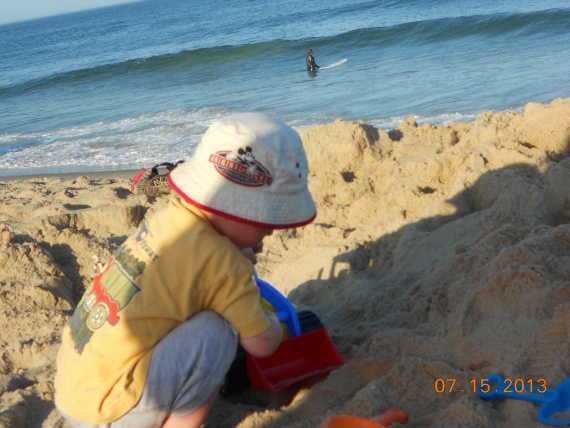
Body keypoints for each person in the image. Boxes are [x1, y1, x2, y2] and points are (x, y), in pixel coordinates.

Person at [54, 113, 317, 428]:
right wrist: (272, 324)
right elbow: (261, 345)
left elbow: (197, 264)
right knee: (220, 330)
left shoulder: (168, 221)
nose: (271, 232)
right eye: (269, 221)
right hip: (114, 409)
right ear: (246, 211)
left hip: (76, 391)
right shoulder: (224, 264)